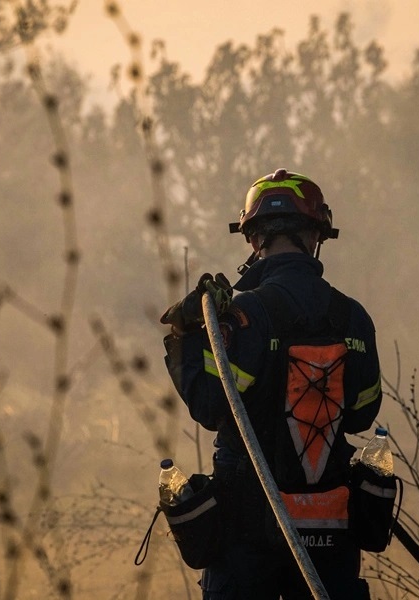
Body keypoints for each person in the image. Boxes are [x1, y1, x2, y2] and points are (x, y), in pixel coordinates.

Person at [161, 168, 384, 599]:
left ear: (254, 238)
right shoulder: (353, 317)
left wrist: (186, 338)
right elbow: (362, 413)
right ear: (316, 234)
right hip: (329, 533)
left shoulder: (246, 315)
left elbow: (211, 407)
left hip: (247, 537)